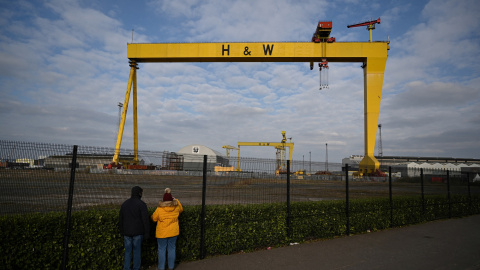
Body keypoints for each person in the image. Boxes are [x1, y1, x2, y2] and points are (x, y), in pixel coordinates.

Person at [151, 188, 183, 270]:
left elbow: (153, 218)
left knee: (162, 250)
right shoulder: (176, 208)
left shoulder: (159, 209)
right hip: (173, 232)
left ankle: (161, 267)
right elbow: (181, 209)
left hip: (162, 233)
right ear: (172, 199)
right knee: (172, 249)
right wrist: (177, 200)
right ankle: (171, 266)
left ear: (163, 200)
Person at [119, 186, 150, 270]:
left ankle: (126, 268)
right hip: (138, 232)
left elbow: (121, 218)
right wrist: (147, 232)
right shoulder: (141, 204)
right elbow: (145, 220)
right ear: (139, 193)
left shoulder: (125, 204)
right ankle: (136, 268)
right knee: (137, 252)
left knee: (128, 252)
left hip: (126, 232)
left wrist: (122, 230)